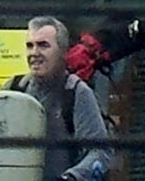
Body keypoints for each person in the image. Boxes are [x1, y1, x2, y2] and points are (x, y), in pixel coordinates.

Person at [11, 18, 113, 181]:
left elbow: (100, 153)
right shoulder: (14, 89)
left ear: (63, 52)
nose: (34, 53)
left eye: (43, 45)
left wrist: (71, 177)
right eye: (30, 46)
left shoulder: (76, 92)